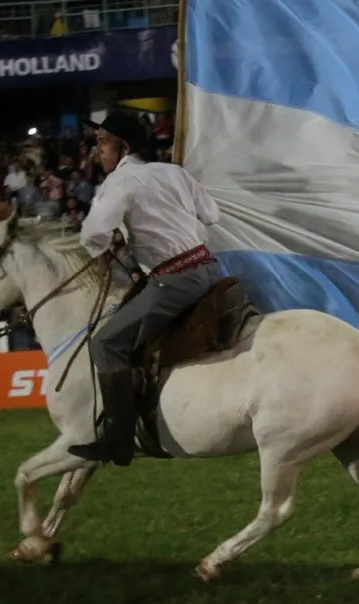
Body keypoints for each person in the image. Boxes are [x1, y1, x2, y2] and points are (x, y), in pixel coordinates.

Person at [66, 112, 223, 467]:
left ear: (124, 146)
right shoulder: (175, 172)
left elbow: (92, 235)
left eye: (103, 143)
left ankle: (118, 441)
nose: (98, 151)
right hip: (210, 269)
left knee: (105, 343)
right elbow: (211, 215)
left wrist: (109, 245)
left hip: (174, 280)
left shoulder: (120, 182)